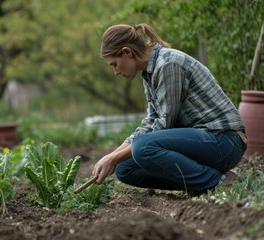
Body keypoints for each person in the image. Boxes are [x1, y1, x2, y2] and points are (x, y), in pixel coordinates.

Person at [92, 23, 247, 195]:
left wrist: (113, 157)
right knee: (124, 168)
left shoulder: (168, 64)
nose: (116, 72)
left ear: (127, 52)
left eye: (114, 64)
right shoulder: (149, 72)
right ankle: (201, 182)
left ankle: (216, 182)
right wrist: (112, 158)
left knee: (142, 148)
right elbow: (150, 122)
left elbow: (164, 124)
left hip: (224, 141)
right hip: (203, 142)